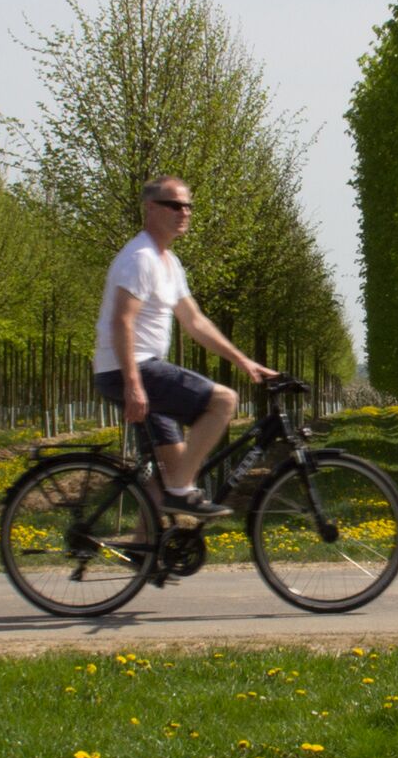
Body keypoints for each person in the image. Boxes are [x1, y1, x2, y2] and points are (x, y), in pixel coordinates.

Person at [95, 174, 276, 517]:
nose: (184, 212)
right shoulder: (140, 258)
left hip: (134, 369)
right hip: (130, 368)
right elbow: (122, 321)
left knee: (173, 468)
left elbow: (195, 321)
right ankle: (179, 493)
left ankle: (141, 552)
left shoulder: (169, 262)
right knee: (223, 401)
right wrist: (134, 386)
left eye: (188, 206)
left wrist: (243, 361)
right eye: (174, 205)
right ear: (150, 208)